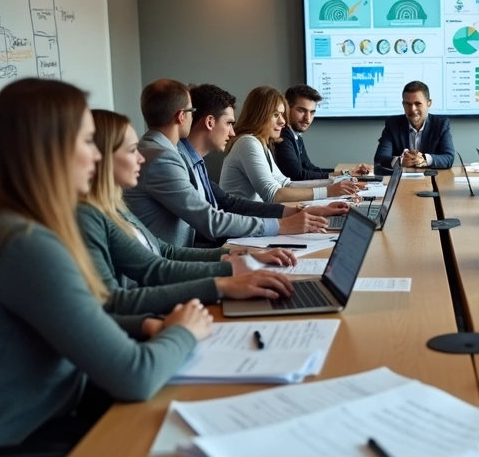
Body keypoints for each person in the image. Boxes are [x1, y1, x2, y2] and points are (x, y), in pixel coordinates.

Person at [0, 78, 214, 456]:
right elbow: (136, 376)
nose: (97, 157)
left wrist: (143, 325)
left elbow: (65, 318)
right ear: (50, 150)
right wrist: (185, 331)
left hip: (1, 427)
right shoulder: (21, 243)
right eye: (87, 141)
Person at [78, 109, 296, 316]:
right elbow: (150, 274)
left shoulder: (115, 206)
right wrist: (222, 280)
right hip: (154, 307)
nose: (140, 158)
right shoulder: (90, 215)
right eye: (132, 150)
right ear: (102, 157)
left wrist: (234, 258)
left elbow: (165, 252)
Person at [125, 79, 336, 247]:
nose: (233, 132)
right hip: (175, 263)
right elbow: (210, 221)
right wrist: (282, 225)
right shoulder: (164, 158)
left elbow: (227, 202)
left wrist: (294, 212)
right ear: (182, 116)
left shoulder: (183, 156)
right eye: (229, 123)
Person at [220, 86, 364, 202]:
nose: (283, 122)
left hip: (255, 220)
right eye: (276, 115)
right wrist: (328, 191)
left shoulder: (260, 143)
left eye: (282, 115)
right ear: (259, 115)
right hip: (244, 226)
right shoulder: (247, 143)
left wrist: (334, 183)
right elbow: (273, 194)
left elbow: (286, 183)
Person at [275, 84, 372, 180]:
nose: (307, 118)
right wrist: (341, 175)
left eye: (312, 112)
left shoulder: (296, 135)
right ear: (287, 109)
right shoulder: (282, 136)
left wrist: (347, 173)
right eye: (301, 111)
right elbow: (298, 175)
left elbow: (310, 168)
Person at [373, 81, 455, 170]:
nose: (412, 109)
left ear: (429, 103)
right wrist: (400, 161)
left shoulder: (441, 125)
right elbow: (379, 158)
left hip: (431, 177)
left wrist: (425, 159)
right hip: (402, 178)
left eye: (418, 104)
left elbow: (448, 158)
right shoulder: (392, 125)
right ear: (403, 104)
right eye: (408, 104)